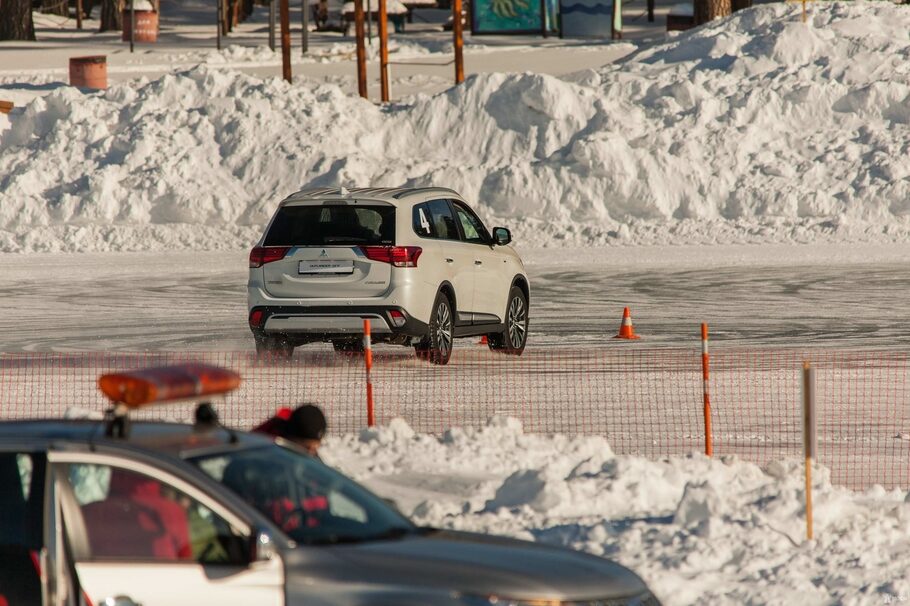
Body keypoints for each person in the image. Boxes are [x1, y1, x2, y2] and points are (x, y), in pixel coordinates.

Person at [254, 404, 327, 458]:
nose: (311, 453)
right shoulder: (262, 451)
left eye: (315, 448)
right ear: (291, 439)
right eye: (307, 447)